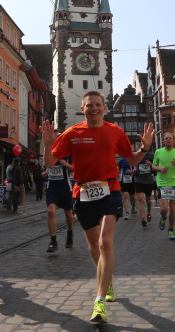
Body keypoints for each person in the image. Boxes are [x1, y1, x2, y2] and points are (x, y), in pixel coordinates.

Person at [41, 91, 154, 322]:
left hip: (109, 189)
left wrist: (144, 149)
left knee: (105, 242)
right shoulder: (73, 133)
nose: (94, 108)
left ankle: (99, 300)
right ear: (82, 109)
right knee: (94, 245)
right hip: (82, 193)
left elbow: (131, 159)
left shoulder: (115, 131)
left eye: (98, 105)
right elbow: (50, 162)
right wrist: (48, 144)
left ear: (104, 108)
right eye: (89, 105)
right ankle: (107, 280)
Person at [152, 132, 175, 240]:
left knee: (173, 209)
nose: (168, 139)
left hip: (174, 182)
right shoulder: (158, 152)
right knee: (164, 209)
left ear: (173, 141)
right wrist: (160, 168)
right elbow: (153, 166)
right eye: (166, 138)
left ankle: (171, 230)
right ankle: (163, 217)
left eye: (170, 138)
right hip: (162, 183)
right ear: (163, 141)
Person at [45, 153, 75, 252]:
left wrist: (66, 164)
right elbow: (48, 165)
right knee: (50, 211)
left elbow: (76, 168)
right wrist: (46, 171)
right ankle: (53, 241)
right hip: (52, 187)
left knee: (68, 213)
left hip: (64, 187)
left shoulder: (67, 153)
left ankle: (70, 233)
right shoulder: (49, 152)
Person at [132, 147, 155, 228]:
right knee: (140, 198)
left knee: (148, 200)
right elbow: (132, 163)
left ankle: (148, 212)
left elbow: (156, 165)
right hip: (138, 179)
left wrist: (152, 169)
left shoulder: (152, 155)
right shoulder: (137, 155)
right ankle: (143, 218)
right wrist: (134, 169)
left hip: (148, 180)